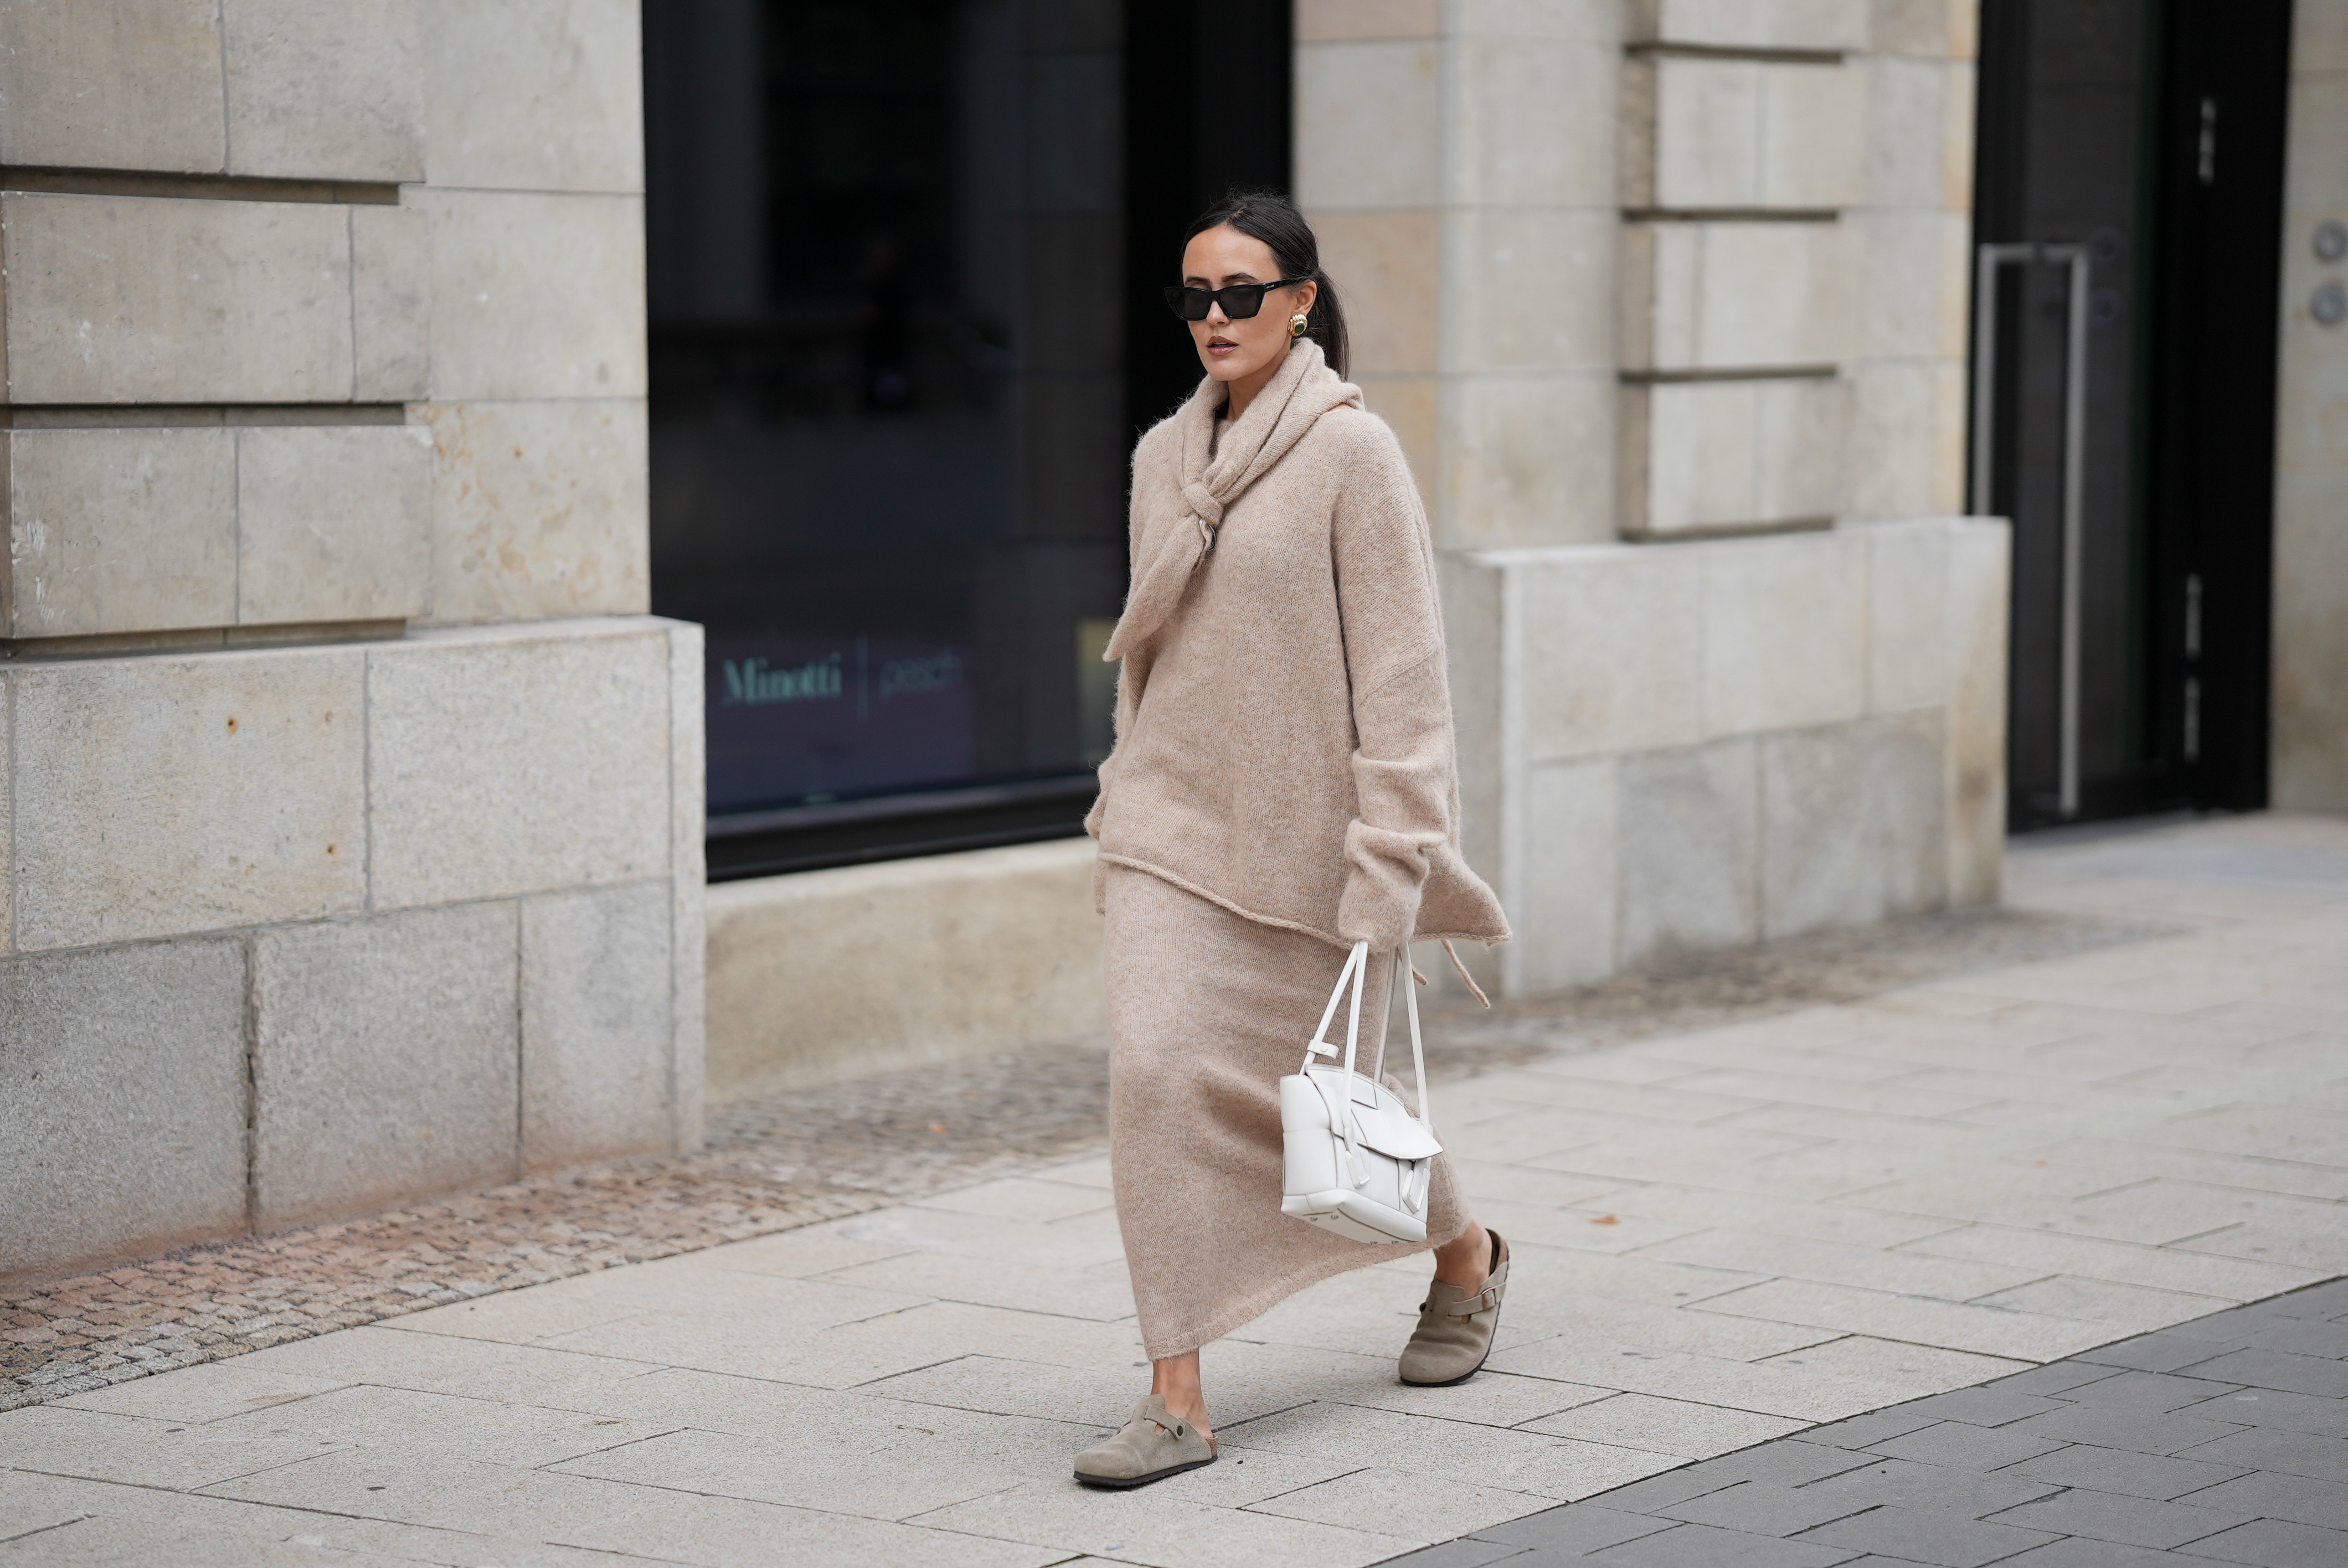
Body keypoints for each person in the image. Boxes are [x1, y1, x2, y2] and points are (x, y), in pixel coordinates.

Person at [1073, 190, 1512, 1489]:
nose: (1214, 318)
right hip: (1167, 833)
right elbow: (1145, 653)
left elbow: (1405, 685)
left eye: (1240, 294)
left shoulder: (1349, 454)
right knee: (1153, 1079)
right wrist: (1117, 794)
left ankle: (1465, 1255)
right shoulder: (1163, 458)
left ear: (1300, 301)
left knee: (1325, 1109)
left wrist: (1392, 861)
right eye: (1194, 297)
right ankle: (1176, 1396)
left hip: (1313, 853)